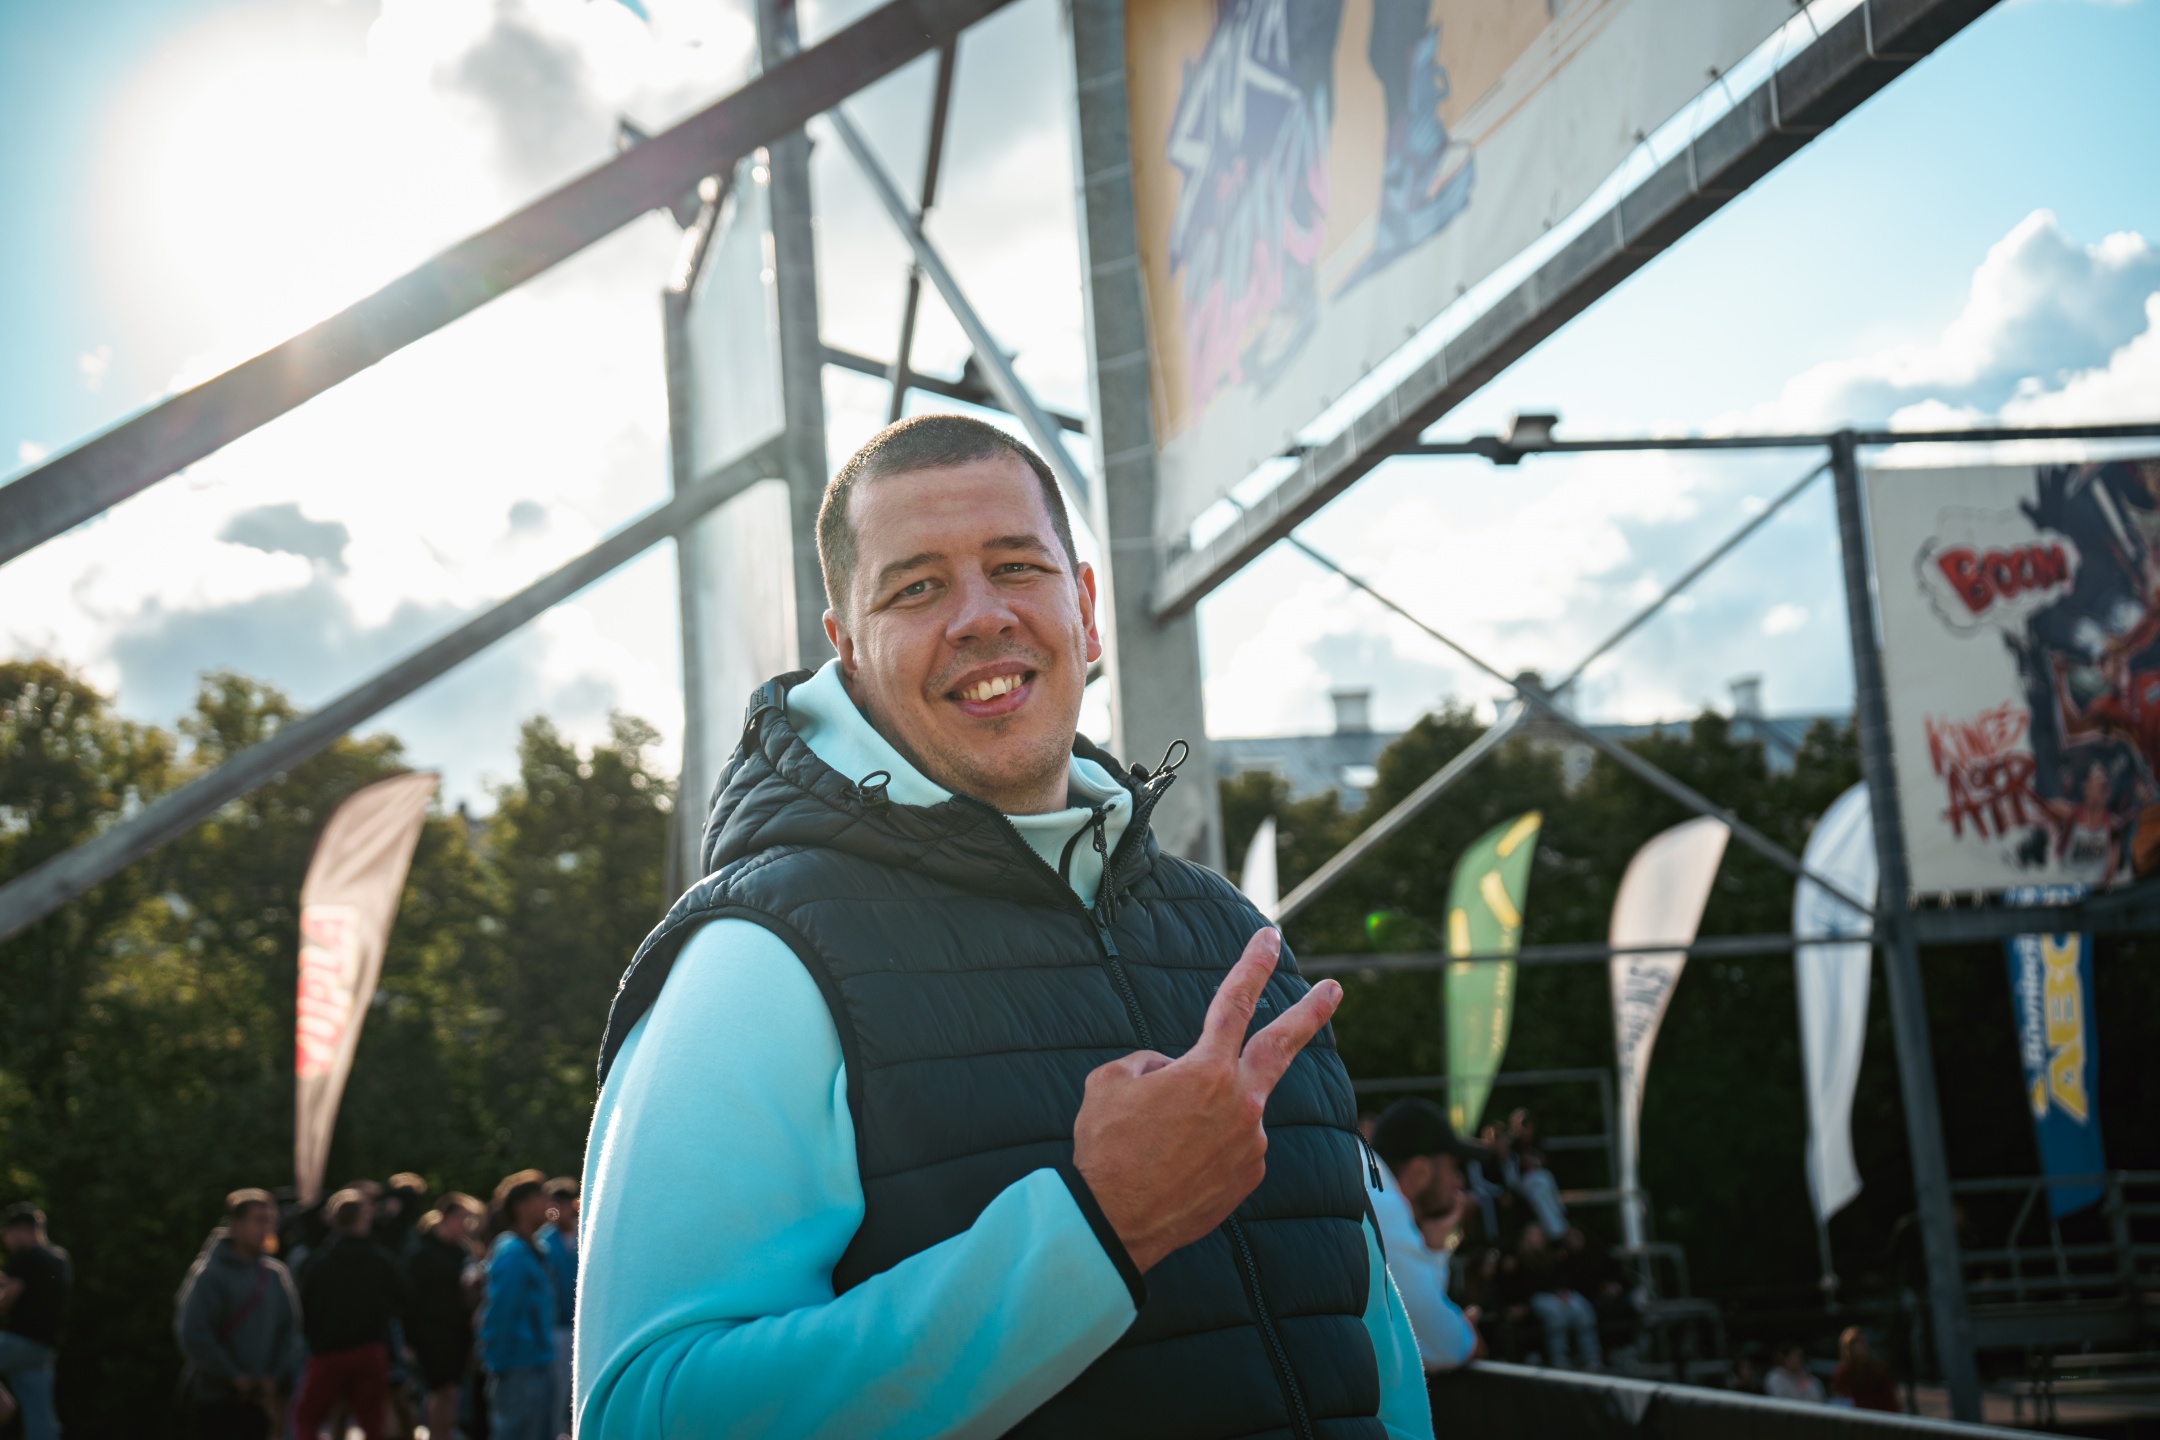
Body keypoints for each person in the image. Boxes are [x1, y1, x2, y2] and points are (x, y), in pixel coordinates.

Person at [581, 414, 1428, 1437]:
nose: (981, 616)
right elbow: (644, 1414)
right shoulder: (756, 958)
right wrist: (1097, 1229)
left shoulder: (1231, 935)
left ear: (1086, 609)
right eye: (916, 587)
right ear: (847, 654)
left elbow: (1370, 1355)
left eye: (1017, 566)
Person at [175, 1189, 305, 1440]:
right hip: (215, 1400)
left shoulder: (274, 1275)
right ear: (236, 1224)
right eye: (259, 1220)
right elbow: (194, 1334)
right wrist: (233, 1376)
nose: (266, 1228)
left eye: (270, 1220)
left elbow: (289, 1330)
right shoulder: (210, 1275)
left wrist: (273, 1375)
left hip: (257, 1401)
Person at [1366, 1099, 1479, 1371]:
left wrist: (1435, 1246)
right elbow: (1448, 1347)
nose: (1459, 1182)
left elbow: (1421, 1330)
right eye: (1453, 1168)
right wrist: (1467, 1333)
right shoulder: (1385, 1205)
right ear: (1420, 1172)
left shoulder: (1368, 1185)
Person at [294, 1188, 406, 1440]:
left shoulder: (320, 1262)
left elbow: (303, 1305)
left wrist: (316, 1336)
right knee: (372, 1422)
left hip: (328, 1351)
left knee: (308, 1418)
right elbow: (403, 1296)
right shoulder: (379, 1260)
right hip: (368, 1348)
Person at [481, 1171, 557, 1440]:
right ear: (521, 1206)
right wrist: (497, 1361)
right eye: (542, 1197)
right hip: (517, 1365)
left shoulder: (534, 1247)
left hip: (537, 1361)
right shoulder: (512, 1252)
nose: (549, 1203)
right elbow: (500, 1311)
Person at [406, 1194, 483, 1440]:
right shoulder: (422, 1252)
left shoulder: (462, 1252)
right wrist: (409, 1340)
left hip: (456, 1332)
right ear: (447, 1218)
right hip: (431, 1334)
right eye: (462, 1219)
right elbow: (409, 1300)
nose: (467, 1226)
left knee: (451, 1391)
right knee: (439, 1390)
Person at [0, 1203, 69, 1440]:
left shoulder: (25, 1255)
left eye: (6, 1234)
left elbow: (7, 1300)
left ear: (19, 1231)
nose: (6, 1242)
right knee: (40, 1419)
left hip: (19, 1341)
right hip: (44, 1348)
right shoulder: (60, 1258)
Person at [1516, 1223, 1601, 1370]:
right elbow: (1526, 1285)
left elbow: (1565, 1276)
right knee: (1556, 1314)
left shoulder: (1554, 1254)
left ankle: (1592, 1357)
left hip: (1561, 1293)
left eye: (1538, 1235)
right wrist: (1553, 1293)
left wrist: (1563, 1291)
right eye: (1532, 1236)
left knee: (1581, 1308)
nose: (1536, 1239)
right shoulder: (1520, 1260)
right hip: (1539, 1297)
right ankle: (1560, 1358)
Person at [538, 1178, 578, 1440]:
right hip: (554, 1328)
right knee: (556, 1392)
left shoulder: (585, 1236)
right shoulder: (542, 1241)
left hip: (582, 1328)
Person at [1831, 1327, 1900, 1412]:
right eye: (1854, 1345)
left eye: (1861, 1343)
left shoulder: (1879, 1370)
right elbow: (1840, 1400)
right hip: (1854, 1416)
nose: (1859, 1348)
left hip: (1880, 1415)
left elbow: (1891, 1400)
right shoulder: (1842, 1374)